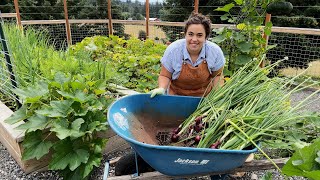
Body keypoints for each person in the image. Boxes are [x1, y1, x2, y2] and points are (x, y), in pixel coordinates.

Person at [150, 12, 225, 98]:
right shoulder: (173, 50)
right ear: (185, 34)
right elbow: (165, 75)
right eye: (190, 34)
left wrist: (218, 96)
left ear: (206, 37)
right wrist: (162, 88)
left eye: (199, 35)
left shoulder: (214, 51)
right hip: (176, 98)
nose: (194, 39)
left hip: (203, 100)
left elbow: (217, 76)